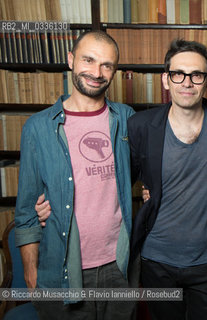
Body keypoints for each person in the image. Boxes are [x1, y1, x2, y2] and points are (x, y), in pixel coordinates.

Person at [14, 30, 136, 319]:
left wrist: (149, 191)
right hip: (62, 270)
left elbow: (142, 175)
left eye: (107, 65)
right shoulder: (38, 128)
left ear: (115, 71)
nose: (97, 72)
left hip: (120, 268)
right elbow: (26, 212)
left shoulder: (128, 118)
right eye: (89, 60)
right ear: (70, 60)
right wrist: (32, 275)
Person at [126, 39, 207, 320]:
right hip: (157, 260)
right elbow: (115, 184)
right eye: (178, 74)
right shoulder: (141, 126)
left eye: (196, 75)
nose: (187, 82)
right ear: (166, 79)